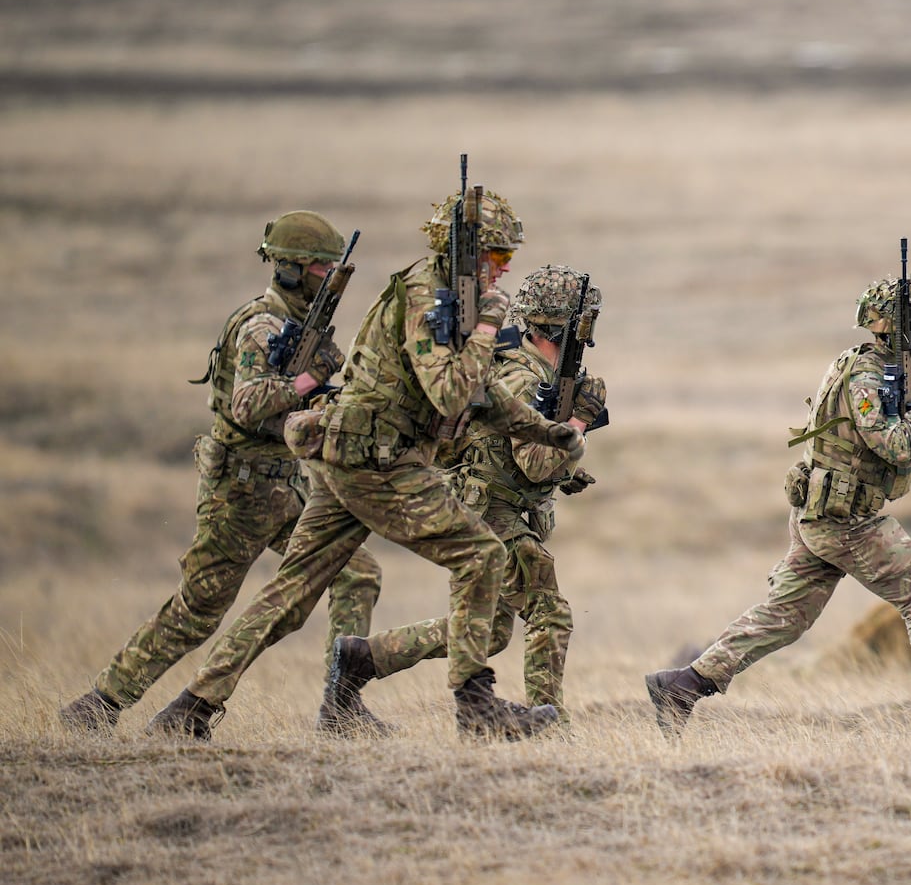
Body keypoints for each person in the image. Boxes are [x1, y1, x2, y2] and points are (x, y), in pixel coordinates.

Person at [145, 184, 583, 743]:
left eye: (508, 259)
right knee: (481, 556)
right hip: (378, 462)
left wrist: (544, 430)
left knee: (289, 597)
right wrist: (489, 329)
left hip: (348, 453)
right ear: (464, 253)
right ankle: (476, 709)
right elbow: (451, 394)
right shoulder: (431, 297)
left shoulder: (445, 296)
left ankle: (189, 710)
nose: (501, 271)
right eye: (495, 257)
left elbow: (480, 399)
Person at [645, 273, 911, 740]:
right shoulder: (869, 377)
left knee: (785, 618)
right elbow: (897, 447)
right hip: (846, 521)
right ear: (897, 329)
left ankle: (683, 685)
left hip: (824, 516)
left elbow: (868, 448)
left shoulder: (877, 369)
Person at [58, 213, 382, 734]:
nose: (330, 274)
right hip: (240, 491)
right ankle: (98, 706)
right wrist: (309, 378)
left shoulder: (297, 327)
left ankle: (340, 708)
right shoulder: (261, 326)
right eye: (322, 265)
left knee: (356, 571)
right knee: (198, 611)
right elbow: (249, 404)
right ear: (293, 269)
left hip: (286, 486)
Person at [321, 265, 605, 727]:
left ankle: (362, 658)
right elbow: (534, 459)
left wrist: (565, 472)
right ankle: (549, 724)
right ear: (563, 325)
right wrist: (578, 426)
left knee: (489, 631)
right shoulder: (523, 378)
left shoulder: (521, 367)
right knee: (549, 613)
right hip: (494, 512)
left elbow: (517, 459)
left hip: (495, 505)